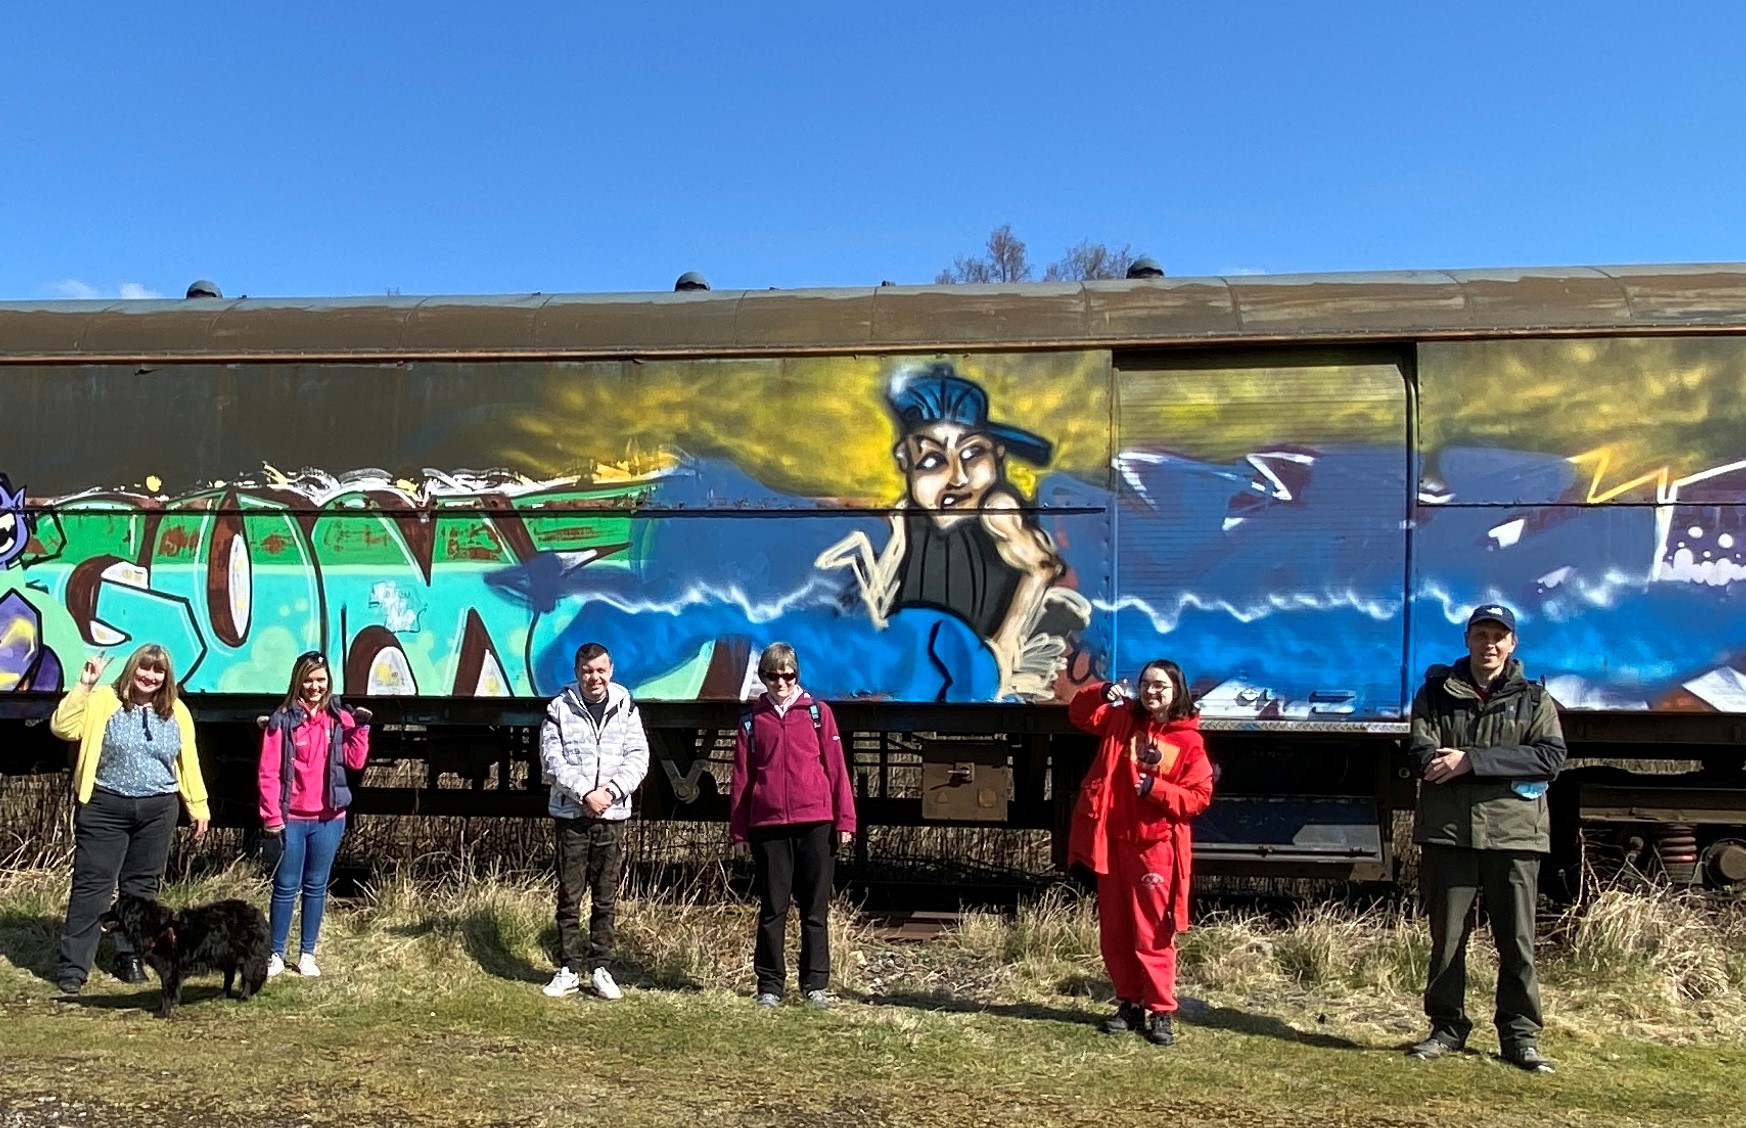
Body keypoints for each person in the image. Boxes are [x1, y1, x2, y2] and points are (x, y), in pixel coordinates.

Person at [813, 363, 1091, 699]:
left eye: (973, 454)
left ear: (997, 456)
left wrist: (997, 663)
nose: (958, 478)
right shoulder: (902, 529)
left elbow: (1040, 567)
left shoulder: (998, 513)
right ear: (905, 465)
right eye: (932, 461)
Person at [1406, 603, 1567, 1074]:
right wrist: (1493, 762)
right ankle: (1446, 1028)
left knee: (1516, 942)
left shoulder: (1534, 700)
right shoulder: (1435, 695)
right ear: (1467, 640)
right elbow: (1423, 753)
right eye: (1481, 635)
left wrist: (1471, 761)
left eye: (1499, 636)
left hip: (1514, 836)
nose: (1489, 644)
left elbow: (1549, 759)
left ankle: (1520, 1035)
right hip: (1449, 834)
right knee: (1448, 938)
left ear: (1512, 643)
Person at [1066, 659, 1213, 1046]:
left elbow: (1199, 797)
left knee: (1152, 932)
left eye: (1161, 686)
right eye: (1146, 684)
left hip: (1155, 847)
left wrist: (1156, 791)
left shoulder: (1187, 741)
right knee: (1115, 931)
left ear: (1176, 691)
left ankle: (1161, 1010)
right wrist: (1100, 690)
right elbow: (1079, 713)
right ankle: (1128, 1002)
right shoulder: (1120, 720)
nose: (1152, 692)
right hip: (1112, 842)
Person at [50, 644, 209, 995]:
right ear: (131, 670)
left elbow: (189, 762)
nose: (149, 677)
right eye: (143, 669)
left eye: (158, 672)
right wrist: (84, 685)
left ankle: (129, 956)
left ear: (166, 678)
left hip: (158, 810)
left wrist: (198, 804)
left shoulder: (176, 711)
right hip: (106, 806)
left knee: (141, 889)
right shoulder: (104, 702)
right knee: (93, 887)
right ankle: (74, 966)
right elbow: (63, 728)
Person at [729, 643, 857, 1009]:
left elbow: (836, 769)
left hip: (816, 822)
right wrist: (738, 830)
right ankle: (769, 985)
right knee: (772, 909)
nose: (781, 682)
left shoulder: (819, 714)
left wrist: (844, 819)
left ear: (797, 674)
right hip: (768, 825)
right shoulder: (752, 722)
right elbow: (742, 779)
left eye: (788, 675)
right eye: (773, 675)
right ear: (763, 677)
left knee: (814, 910)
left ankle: (815, 984)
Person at [539, 643, 649, 1001]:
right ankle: (569, 968)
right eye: (587, 670)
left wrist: (610, 794)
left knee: (605, 897)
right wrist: (586, 793)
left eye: (600, 670)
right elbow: (552, 759)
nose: (594, 677)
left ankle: (601, 968)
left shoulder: (626, 706)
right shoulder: (558, 708)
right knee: (569, 896)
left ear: (611, 670)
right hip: (573, 815)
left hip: (611, 816)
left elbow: (638, 756)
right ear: (577, 672)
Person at [258, 650, 371, 978]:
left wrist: (361, 728)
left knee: (316, 885)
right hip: (291, 817)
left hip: (329, 818)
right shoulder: (281, 721)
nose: (314, 686)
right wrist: (270, 816)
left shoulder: (337, 717)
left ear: (328, 682)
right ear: (297, 681)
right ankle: (275, 954)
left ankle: (307, 953)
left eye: (320, 680)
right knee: (285, 884)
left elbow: (354, 761)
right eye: (308, 679)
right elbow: (268, 773)